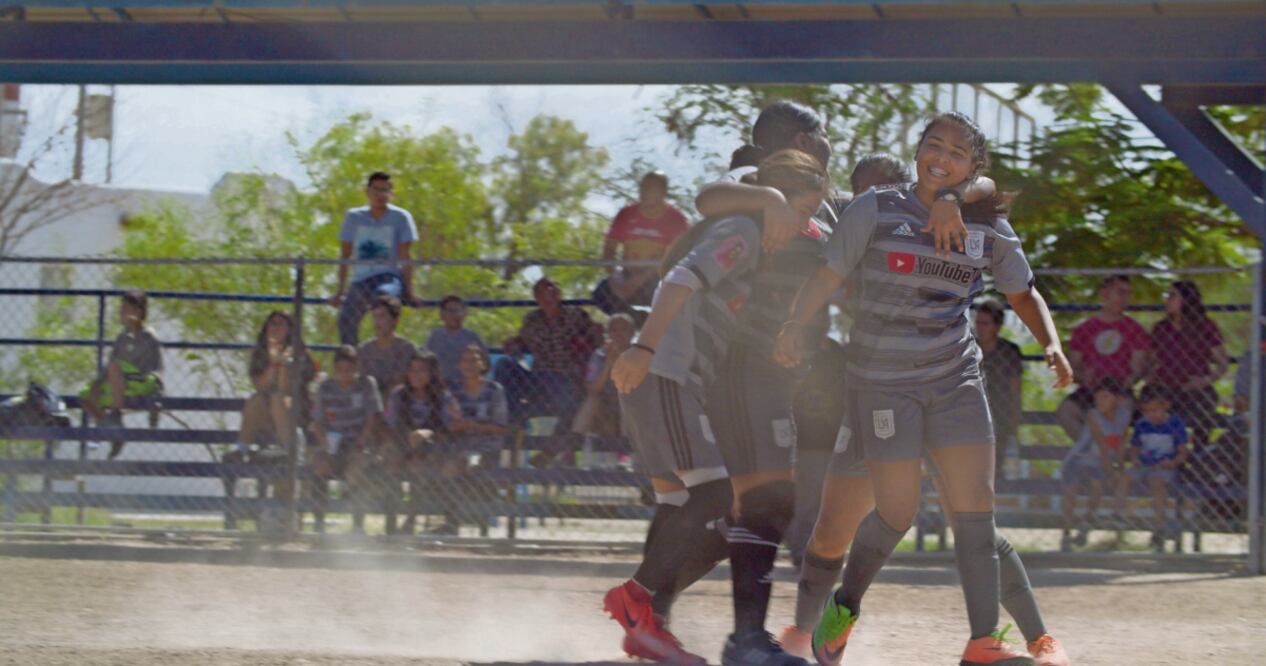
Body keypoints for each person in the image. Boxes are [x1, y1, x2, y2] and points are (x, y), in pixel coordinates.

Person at [775, 112, 1073, 666]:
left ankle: (999, 641)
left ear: (972, 167)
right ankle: (821, 619)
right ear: (914, 155)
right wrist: (794, 324)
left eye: (957, 153)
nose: (941, 158)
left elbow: (1022, 288)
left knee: (975, 513)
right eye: (933, 146)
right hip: (879, 387)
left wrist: (1052, 344)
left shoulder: (983, 220)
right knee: (864, 521)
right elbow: (826, 276)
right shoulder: (868, 209)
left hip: (952, 380)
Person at [602, 149, 823, 666]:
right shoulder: (743, 231)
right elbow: (679, 279)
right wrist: (645, 348)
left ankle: (647, 628)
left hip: (672, 378)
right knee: (717, 496)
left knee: (680, 503)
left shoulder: (755, 236)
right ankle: (635, 601)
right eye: (803, 211)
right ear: (778, 200)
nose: (806, 225)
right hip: (667, 373)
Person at [223, 311, 317, 530]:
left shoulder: (300, 353)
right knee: (255, 400)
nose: (275, 329)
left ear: (290, 330)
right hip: (267, 417)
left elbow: (286, 389)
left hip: (294, 416)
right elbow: (260, 386)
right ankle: (243, 449)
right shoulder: (260, 353)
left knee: (278, 399)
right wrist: (274, 363)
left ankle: (287, 450)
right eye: (272, 324)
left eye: (281, 324)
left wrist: (284, 365)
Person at [329, 171, 420, 345]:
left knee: (383, 301)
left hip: (388, 277)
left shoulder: (401, 218)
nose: (380, 195)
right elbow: (345, 255)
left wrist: (409, 291)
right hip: (361, 279)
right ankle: (352, 356)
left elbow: (406, 256)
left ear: (391, 194)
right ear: (367, 192)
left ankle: (384, 351)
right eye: (376, 190)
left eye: (385, 190)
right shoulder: (354, 217)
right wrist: (340, 291)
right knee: (346, 320)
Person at [1055, 275, 1149, 441]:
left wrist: (1127, 382)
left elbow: (1137, 368)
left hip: (1120, 389)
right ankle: (1092, 448)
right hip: (1090, 388)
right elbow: (1073, 366)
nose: (1125, 298)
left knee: (1124, 408)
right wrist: (1084, 377)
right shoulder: (1084, 330)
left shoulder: (1135, 329)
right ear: (1104, 294)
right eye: (1120, 292)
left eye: (1128, 294)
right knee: (1066, 411)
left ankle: (1109, 449)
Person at [308, 345, 385, 534]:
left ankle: (357, 525)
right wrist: (325, 445)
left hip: (359, 443)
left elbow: (372, 419)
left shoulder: (366, 384)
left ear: (357, 368)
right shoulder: (325, 387)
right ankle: (319, 523)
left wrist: (360, 443)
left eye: (349, 370)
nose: (344, 375)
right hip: (333, 444)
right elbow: (317, 422)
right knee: (320, 464)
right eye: (340, 370)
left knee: (355, 469)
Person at [384, 350, 462, 535]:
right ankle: (391, 522)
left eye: (421, 370)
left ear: (432, 373)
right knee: (391, 461)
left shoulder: (443, 396)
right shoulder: (399, 394)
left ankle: (413, 520)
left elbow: (450, 428)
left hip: (434, 447)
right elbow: (390, 425)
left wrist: (428, 433)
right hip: (404, 444)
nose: (415, 374)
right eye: (412, 370)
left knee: (417, 466)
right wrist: (407, 438)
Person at [594, 171, 692, 315]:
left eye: (651, 188)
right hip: (626, 274)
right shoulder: (626, 214)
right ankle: (632, 320)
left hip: (657, 277)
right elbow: (608, 251)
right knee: (601, 293)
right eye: (642, 187)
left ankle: (648, 322)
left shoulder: (677, 219)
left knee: (672, 294)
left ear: (663, 192)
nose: (644, 192)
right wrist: (616, 278)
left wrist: (639, 280)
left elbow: (675, 259)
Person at [81, 290, 163, 460]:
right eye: (121, 309)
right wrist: (98, 382)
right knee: (86, 395)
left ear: (139, 312)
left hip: (142, 380)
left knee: (114, 368)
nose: (122, 312)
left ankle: (116, 414)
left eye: (126, 309)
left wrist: (156, 390)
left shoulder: (148, 336)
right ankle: (112, 431)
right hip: (121, 381)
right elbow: (112, 362)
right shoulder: (122, 337)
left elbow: (153, 368)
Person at [511, 277, 602, 426]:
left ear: (559, 294)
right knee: (504, 364)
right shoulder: (532, 319)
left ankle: (561, 434)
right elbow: (522, 341)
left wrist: (596, 335)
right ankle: (511, 423)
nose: (550, 295)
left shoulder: (575, 315)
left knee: (566, 392)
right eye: (544, 292)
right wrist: (513, 343)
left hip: (566, 375)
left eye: (553, 291)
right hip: (538, 375)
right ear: (537, 297)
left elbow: (595, 338)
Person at [1148, 280, 1228, 448]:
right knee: (1151, 402)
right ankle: (1161, 451)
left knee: (1204, 406)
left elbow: (1222, 364)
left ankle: (1199, 453)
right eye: (1167, 296)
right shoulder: (1161, 328)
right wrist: (1152, 378)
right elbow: (1151, 361)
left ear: (1187, 299)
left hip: (1195, 387)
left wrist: (1204, 380)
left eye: (1172, 296)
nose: (1167, 300)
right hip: (1165, 387)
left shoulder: (1205, 327)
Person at [444, 344, 511, 533]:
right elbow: (447, 422)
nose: (470, 365)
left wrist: (472, 426)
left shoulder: (494, 390)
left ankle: (479, 522)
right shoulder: (453, 390)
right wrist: (454, 425)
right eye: (465, 360)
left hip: (487, 447)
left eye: (475, 360)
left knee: (473, 463)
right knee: (450, 465)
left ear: (483, 364)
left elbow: (501, 427)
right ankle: (452, 523)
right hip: (459, 445)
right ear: (459, 365)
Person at [1115, 384, 1190, 551]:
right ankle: (1118, 515)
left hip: (1164, 466)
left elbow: (1183, 452)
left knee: (1157, 482)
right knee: (1124, 477)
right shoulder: (1142, 425)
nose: (1151, 415)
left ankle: (1159, 526)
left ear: (1166, 406)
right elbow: (1135, 447)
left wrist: (1173, 462)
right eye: (1147, 411)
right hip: (1144, 464)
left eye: (1156, 410)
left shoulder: (1175, 424)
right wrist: (1134, 459)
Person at [1060, 378, 1131, 551]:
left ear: (1118, 399)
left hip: (1098, 463)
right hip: (1079, 459)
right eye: (1098, 397)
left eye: (1105, 397)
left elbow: (1121, 442)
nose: (1100, 401)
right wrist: (1111, 471)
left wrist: (1119, 466)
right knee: (1071, 492)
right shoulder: (1093, 415)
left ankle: (1086, 525)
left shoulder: (1124, 415)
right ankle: (1066, 532)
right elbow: (1102, 445)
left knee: (1097, 487)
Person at [976, 299, 1025, 478]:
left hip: (1000, 409)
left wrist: (1015, 416)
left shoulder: (1009, 351)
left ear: (997, 327)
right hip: (972, 405)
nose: (980, 328)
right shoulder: (969, 349)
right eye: (978, 323)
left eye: (985, 324)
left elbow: (1015, 388)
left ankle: (995, 473)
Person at [576, 313, 636, 441]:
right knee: (592, 401)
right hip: (605, 404)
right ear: (608, 334)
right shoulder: (599, 354)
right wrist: (608, 363)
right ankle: (574, 440)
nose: (619, 334)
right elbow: (592, 390)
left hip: (632, 404)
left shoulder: (638, 355)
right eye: (614, 330)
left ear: (632, 333)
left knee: (627, 403)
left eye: (623, 329)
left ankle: (626, 445)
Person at [358, 295, 416, 398]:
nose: (377, 322)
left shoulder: (406, 348)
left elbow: (398, 383)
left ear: (395, 320)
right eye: (375, 317)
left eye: (382, 316)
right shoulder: (364, 350)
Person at [425, 295, 487, 387]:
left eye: (458, 311)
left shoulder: (472, 337)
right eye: (450, 311)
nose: (454, 315)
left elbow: (486, 365)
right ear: (442, 315)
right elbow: (426, 362)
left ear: (465, 314)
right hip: (439, 384)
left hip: (464, 385)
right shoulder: (435, 336)